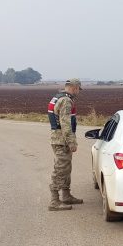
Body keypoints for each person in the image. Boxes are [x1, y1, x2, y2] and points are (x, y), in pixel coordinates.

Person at [47, 78, 84, 211]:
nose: (79, 92)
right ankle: (54, 201)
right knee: (60, 169)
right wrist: (71, 142)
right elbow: (66, 124)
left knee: (66, 168)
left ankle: (66, 195)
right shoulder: (66, 101)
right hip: (62, 140)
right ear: (74, 87)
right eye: (79, 89)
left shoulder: (58, 97)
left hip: (58, 139)